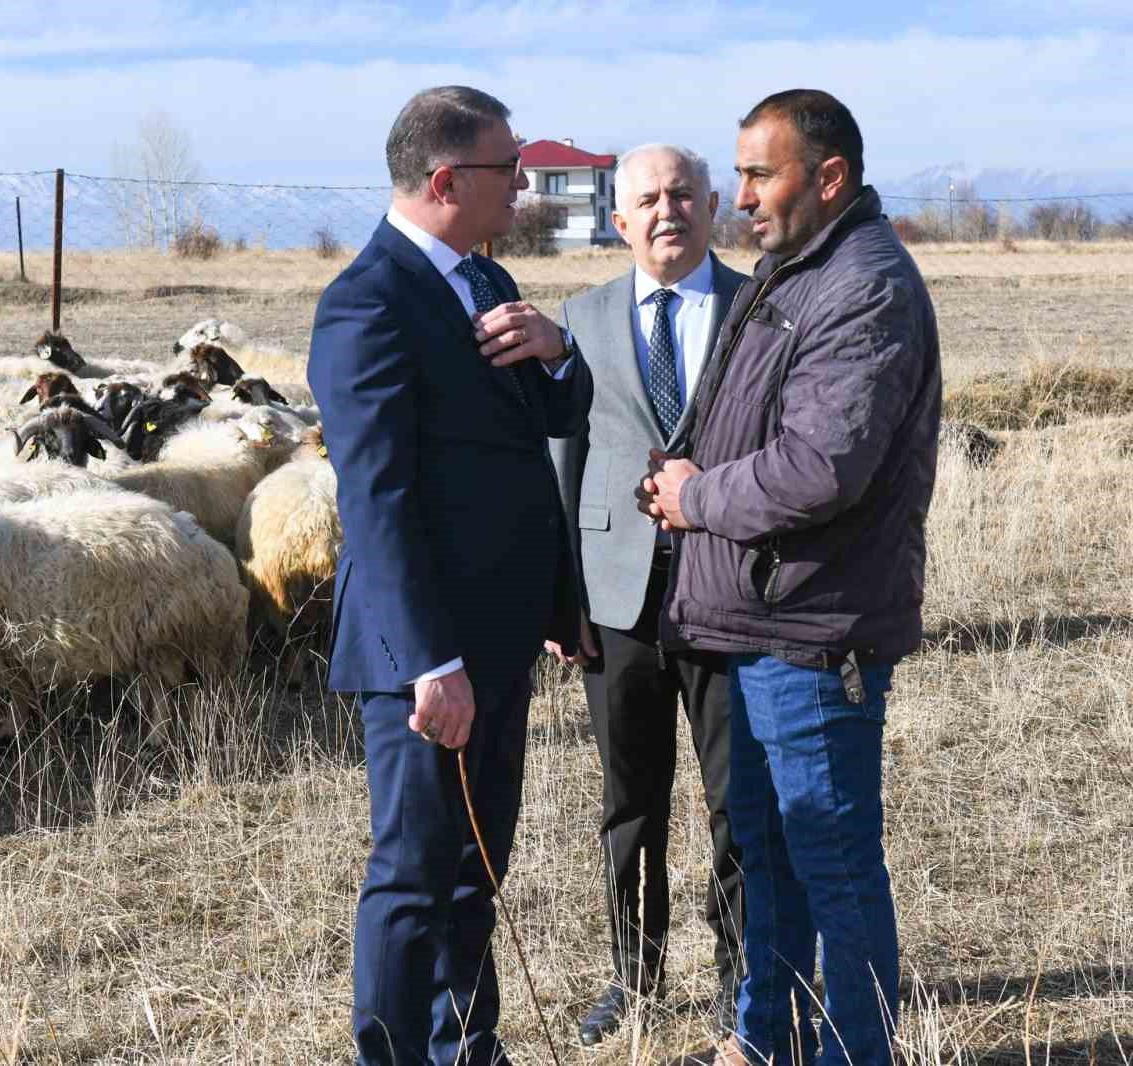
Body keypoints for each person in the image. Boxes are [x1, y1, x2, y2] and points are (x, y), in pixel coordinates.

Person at [640, 90, 941, 1066]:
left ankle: (855, 1053)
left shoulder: (863, 285)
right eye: (736, 174)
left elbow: (820, 467)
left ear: (828, 178)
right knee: (767, 862)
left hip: (816, 636)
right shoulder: (793, 271)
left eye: (758, 174)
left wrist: (696, 500)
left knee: (833, 870)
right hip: (759, 623)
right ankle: (764, 1039)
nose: (739, 197)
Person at [307, 85, 594, 1066]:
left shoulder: (483, 280)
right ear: (443, 180)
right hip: (423, 654)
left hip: (502, 637)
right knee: (413, 869)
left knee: (478, 862)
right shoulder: (367, 301)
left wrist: (559, 351)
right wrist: (430, 660)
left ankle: (466, 1045)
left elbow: (541, 429)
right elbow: (376, 499)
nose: (521, 184)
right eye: (505, 169)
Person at [546, 143, 748, 1044]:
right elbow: (563, 458)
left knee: (739, 802)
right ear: (618, 220)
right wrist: (562, 595)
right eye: (646, 200)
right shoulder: (580, 318)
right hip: (614, 599)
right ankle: (634, 975)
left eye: (682, 194)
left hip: (732, 594)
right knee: (630, 802)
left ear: (712, 207)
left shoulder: (759, 309)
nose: (666, 211)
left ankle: (740, 982)